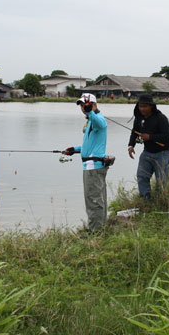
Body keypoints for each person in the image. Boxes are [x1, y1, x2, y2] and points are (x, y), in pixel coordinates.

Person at [62, 93, 109, 232]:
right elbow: (89, 146)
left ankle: (95, 232)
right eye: (82, 105)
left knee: (93, 200)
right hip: (92, 165)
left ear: (94, 105)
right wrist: (74, 150)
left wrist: (91, 112)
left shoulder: (97, 119)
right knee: (98, 199)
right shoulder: (90, 120)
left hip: (93, 167)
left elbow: (101, 124)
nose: (83, 107)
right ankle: (100, 228)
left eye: (86, 105)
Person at [128, 95, 169, 200]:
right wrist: (131, 146)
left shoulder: (161, 118)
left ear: (151, 106)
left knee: (161, 181)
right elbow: (134, 132)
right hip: (147, 152)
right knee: (142, 176)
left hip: (162, 153)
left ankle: (161, 201)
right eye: (140, 106)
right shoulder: (139, 118)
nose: (142, 109)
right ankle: (145, 200)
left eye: (145, 106)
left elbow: (167, 136)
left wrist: (150, 137)